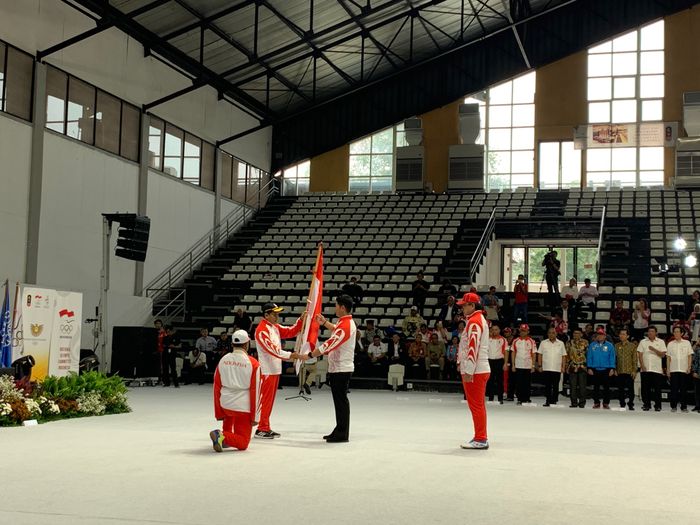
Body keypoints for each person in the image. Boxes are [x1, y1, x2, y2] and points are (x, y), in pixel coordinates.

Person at [309, 295, 357, 443]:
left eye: (336, 305)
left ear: (342, 307)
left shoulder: (346, 325)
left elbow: (330, 344)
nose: (334, 308)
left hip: (341, 369)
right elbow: (336, 330)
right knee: (340, 401)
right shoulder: (345, 323)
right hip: (339, 367)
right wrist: (324, 322)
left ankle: (342, 433)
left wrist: (310, 354)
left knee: (341, 401)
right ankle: (340, 429)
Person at [253, 302, 306, 439]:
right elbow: (272, 350)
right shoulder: (261, 330)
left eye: (277, 313)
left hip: (274, 369)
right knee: (266, 401)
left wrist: (301, 320)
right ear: (266, 315)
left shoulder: (274, 327)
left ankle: (265, 426)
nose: (277, 316)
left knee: (269, 401)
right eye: (274, 314)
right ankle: (262, 428)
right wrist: (290, 355)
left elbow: (290, 331)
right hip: (267, 370)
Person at [210, 330, 261, 452]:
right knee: (243, 443)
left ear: (232, 344)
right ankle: (221, 436)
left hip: (226, 404)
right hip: (243, 407)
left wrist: (219, 412)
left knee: (229, 418)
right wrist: (255, 417)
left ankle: (225, 438)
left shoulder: (223, 360)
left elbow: (216, 386)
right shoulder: (253, 363)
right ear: (247, 344)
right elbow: (256, 391)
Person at [455, 292, 491, 450]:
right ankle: (480, 436)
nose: (462, 308)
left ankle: (481, 438)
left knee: (476, 406)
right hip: (479, 368)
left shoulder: (474, 322)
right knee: (478, 405)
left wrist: (468, 369)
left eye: (464, 305)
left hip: (475, 370)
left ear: (472, 305)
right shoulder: (477, 320)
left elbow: (473, 347)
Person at [637, 326, 667, 411]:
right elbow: (640, 354)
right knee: (645, 388)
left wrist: (654, 349)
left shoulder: (661, 342)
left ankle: (657, 405)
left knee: (657, 388)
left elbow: (663, 355)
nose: (650, 333)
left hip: (656, 369)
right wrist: (642, 365)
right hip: (645, 368)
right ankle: (646, 404)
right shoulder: (643, 342)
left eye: (652, 331)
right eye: (649, 331)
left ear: (656, 333)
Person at [586, 328, 616, 409]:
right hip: (595, 369)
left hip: (606, 369)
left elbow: (612, 358)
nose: (599, 336)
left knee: (606, 387)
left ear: (605, 336)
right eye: (598, 335)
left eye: (601, 335)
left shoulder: (610, 345)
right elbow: (589, 357)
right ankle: (596, 402)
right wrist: (589, 367)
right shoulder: (592, 345)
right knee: (596, 387)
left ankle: (606, 403)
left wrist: (612, 368)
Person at [537, 327, 567, 406]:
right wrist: (540, 365)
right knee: (548, 385)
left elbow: (563, 356)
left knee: (556, 385)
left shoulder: (561, 343)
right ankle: (548, 400)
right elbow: (540, 354)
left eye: (553, 333)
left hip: (557, 368)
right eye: (549, 333)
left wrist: (563, 366)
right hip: (546, 367)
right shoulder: (543, 343)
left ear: (556, 334)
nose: (551, 334)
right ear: (547, 334)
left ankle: (554, 400)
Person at [666, 326, 693, 413]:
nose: (676, 333)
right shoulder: (670, 344)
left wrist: (689, 367)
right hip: (673, 369)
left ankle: (683, 407)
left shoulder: (687, 343)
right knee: (674, 389)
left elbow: (689, 356)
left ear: (682, 333)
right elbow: (668, 358)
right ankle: (673, 406)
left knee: (683, 389)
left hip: (684, 369)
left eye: (678, 332)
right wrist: (668, 370)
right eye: (674, 332)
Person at [510, 323, 536, 405]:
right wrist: (513, 365)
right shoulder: (515, 341)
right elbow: (513, 353)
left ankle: (527, 398)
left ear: (528, 331)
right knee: (519, 382)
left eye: (524, 331)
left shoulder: (532, 341)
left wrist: (533, 365)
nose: (523, 332)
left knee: (527, 382)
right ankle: (520, 398)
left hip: (528, 365)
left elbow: (534, 353)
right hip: (518, 364)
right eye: (521, 331)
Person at [615, 328, 638, 410]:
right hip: (620, 370)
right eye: (620, 334)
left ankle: (631, 403)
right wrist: (615, 369)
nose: (621, 335)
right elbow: (615, 358)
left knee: (630, 389)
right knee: (620, 388)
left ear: (628, 336)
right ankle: (622, 403)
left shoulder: (632, 346)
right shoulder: (616, 346)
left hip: (629, 371)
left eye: (624, 334)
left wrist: (634, 370)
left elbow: (635, 359)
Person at [566, 328, 588, 408]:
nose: (576, 335)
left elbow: (588, 354)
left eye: (578, 333)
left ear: (581, 334)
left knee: (582, 386)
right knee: (572, 386)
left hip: (583, 366)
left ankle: (582, 403)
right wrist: (566, 366)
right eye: (575, 333)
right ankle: (573, 403)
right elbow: (567, 355)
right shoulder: (569, 343)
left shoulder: (586, 342)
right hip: (572, 366)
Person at [486, 324, 507, 403]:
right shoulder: (488, 339)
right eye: (493, 330)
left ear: (499, 330)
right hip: (489, 361)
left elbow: (505, 352)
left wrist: (505, 363)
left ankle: (500, 398)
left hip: (499, 361)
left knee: (499, 380)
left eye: (496, 329)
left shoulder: (503, 339)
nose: (494, 331)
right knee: (490, 380)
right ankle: (490, 398)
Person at [692, 342, 700, 412]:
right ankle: (697, 406)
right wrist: (694, 371)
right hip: (697, 372)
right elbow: (694, 360)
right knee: (697, 390)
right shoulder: (697, 349)